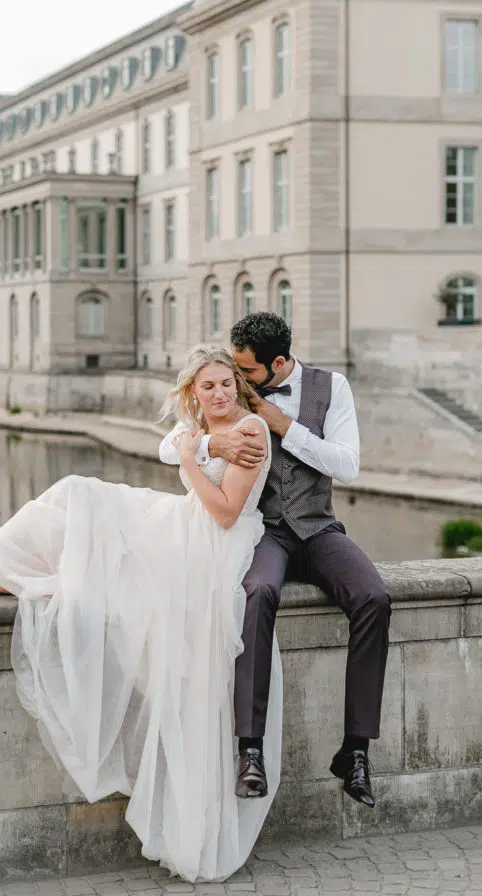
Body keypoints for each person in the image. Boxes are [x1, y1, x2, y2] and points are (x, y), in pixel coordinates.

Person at [0, 345, 283, 882]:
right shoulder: (199, 427)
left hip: (209, 549)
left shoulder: (251, 430)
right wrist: (198, 443)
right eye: (208, 386)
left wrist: (191, 458)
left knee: (74, 534)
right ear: (193, 393)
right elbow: (170, 444)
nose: (220, 393)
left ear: (237, 385)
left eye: (226, 383)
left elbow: (226, 513)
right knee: (68, 518)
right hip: (180, 529)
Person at [160, 312, 391, 808]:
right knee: (257, 592)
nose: (236, 378)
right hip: (265, 533)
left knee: (374, 597)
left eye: (245, 370)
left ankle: (355, 750)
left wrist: (285, 426)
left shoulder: (333, 388)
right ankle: (250, 749)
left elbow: (348, 464)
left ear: (279, 363)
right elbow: (167, 445)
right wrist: (210, 442)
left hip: (318, 527)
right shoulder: (233, 390)